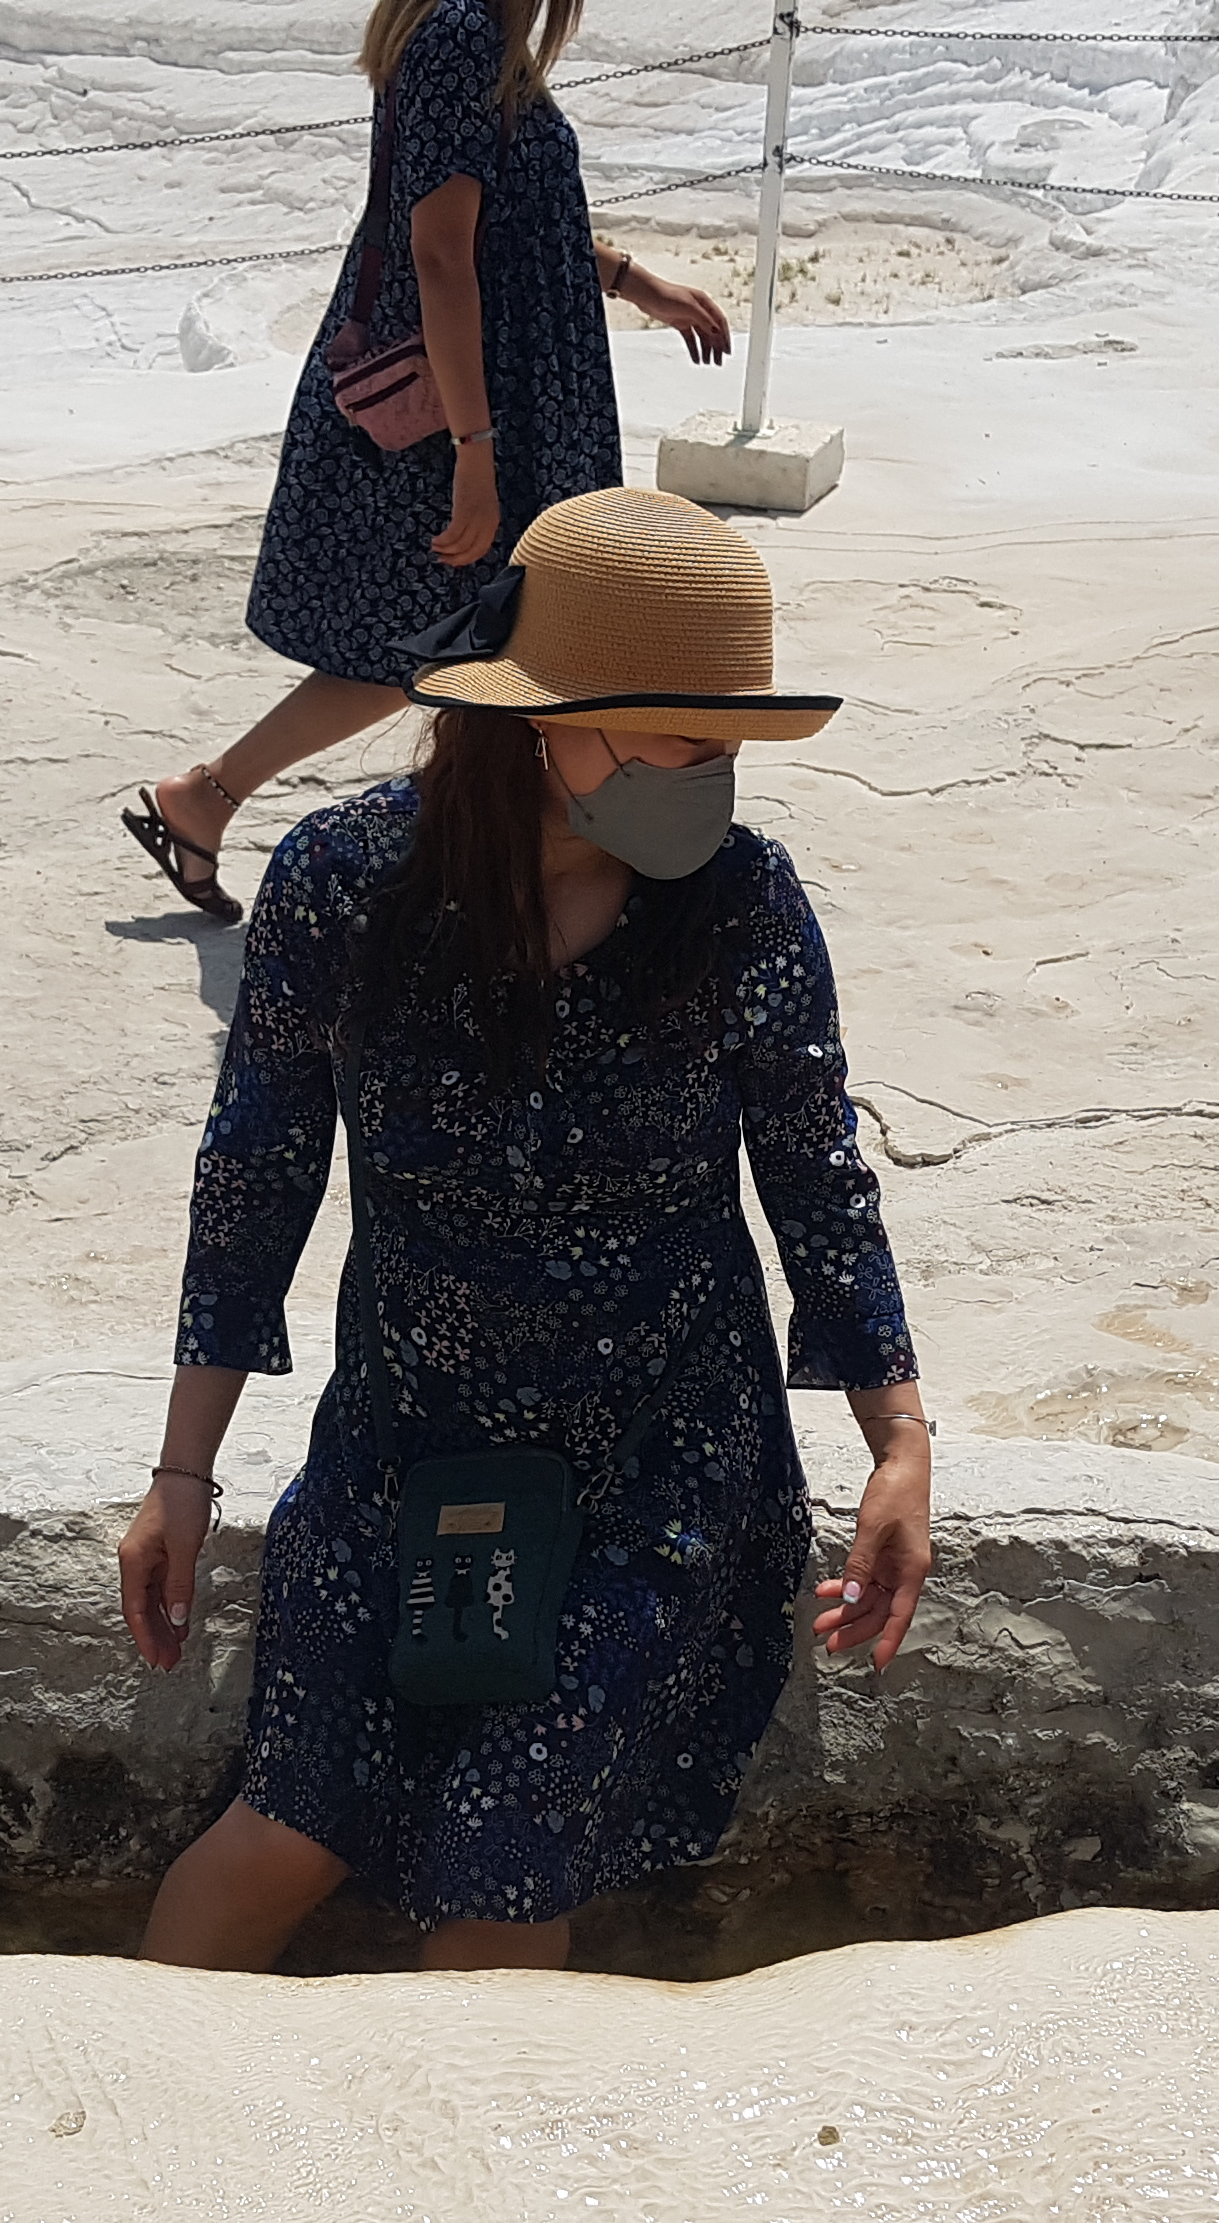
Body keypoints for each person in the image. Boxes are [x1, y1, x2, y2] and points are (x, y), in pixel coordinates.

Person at [117, 487, 932, 1972]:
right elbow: (254, 1180)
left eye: (729, 744)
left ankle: (453, 2139)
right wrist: (183, 1475)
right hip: (405, 1439)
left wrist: (899, 1444)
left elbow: (817, 1175)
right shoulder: (341, 887)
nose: (714, 775)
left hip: (661, 1456)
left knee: (502, 1865)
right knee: (285, 1830)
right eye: (684, 738)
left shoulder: (740, 904)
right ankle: (102, 2107)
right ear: (551, 724)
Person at [120, 0, 735, 925]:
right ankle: (439, 851)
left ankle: (238, 805)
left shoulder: (482, 32)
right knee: (455, 643)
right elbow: (441, 254)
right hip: (467, 408)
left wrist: (631, 279)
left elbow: (510, 222)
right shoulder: (459, 33)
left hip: (503, 401)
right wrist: (475, 453)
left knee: (481, 643)